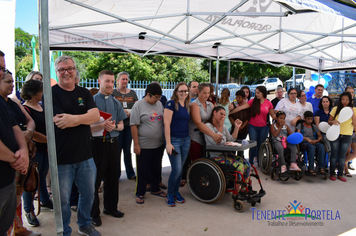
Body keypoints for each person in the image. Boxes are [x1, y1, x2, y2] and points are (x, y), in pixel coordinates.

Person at [50, 55, 101, 236]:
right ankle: (63, 230)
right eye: (62, 69)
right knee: (63, 200)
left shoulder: (84, 92)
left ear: (75, 70)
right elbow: (59, 121)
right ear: (57, 72)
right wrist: (82, 119)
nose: (66, 72)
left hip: (86, 155)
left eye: (70, 68)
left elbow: (95, 116)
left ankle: (84, 224)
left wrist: (74, 119)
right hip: (62, 157)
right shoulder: (51, 94)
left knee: (88, 194)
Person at [90, 70, 127, 227]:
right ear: (99, 81)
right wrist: (101, 125)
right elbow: (85, 127)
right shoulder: (91, 102)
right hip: (97, 145)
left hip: (113, 144)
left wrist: (115, 126)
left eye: (112, 81)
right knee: (95, 181)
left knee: (113, 178)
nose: (110, 84)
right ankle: (93, 214)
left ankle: (110, 208)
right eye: (107, 81)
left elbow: (122, 124)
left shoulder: (116, 102)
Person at [0, 51, 29, 236]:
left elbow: (15, 127)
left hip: (8, 178)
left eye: (2, 68)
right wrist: (16, 158)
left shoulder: (4, 102)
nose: (2, 73)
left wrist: (23, 151)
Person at [22, 79, 53, 230]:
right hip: (35, 151)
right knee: (31, 181)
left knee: (41, 176)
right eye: (42, 90)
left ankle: (45, 201)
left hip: (46, 149)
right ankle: (29, 211)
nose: (44, 93)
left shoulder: (41, 106)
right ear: (35, 92)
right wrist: (50, 141)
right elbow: (32, 134)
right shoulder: (25, 109)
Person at [131, 83, 167, 204]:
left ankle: (155, 189)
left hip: (158, 144)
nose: (157, 100)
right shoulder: (138, 105)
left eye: (159, 97)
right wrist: (136, 144)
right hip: (144, 145)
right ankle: (140, 193)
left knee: (156, 168)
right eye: (156, 97)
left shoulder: (159, 104)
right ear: (148, 94)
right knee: (142, 170)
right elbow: (134, 126)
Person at [204, 106, 251, 187]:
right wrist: (221, 126)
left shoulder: (224, 127)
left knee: (247, 164)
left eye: (224, 115)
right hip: (215, 156)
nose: (223, 117)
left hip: (226, 155)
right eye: (221, 114)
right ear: (214, 112)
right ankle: (237, 192)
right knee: (240, 166)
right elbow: (217, 142)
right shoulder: (208, 126)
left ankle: (244, 188)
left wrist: (236, 127)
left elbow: (231, 139)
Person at [230, 86, 276, 165]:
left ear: (263, 93)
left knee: (260, 145)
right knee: (253, 145)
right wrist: (230, 112)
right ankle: (250, 162)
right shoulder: (252, 101)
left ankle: (259, 161)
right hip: (253, 126)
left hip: (264, 127)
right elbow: (241, 108)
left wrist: (281, 120)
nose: (256, 94)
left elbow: (273, 116)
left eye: (258, 93)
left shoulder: (268, 103)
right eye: (256, 92)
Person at [164, 82, 191, 207]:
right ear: (176, 92)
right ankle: (169, 194)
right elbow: (166, 124)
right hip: (174, 140)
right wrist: (168, 143)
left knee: (180, 170)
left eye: (186, 91)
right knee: (176, 169)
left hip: (186, 140)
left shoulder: (187, 105)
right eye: (181, 91)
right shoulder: (171, 104)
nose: (184, 93)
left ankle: (176, 192)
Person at [112, 72, 138, 180]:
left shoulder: (132, 93)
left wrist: (131, 112)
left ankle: (130, 173)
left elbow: (137, 107)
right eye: (123, 79)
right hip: (117, 126)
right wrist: (121, 112)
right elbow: (110, 107)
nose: (125, 81)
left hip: (129, 125)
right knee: (116, 151)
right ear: (117, 80)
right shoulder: (113, 93)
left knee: (127, 150)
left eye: (127, 79)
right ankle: (116, 174)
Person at [188, 83, 222, 162]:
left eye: (208, 93)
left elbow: (215, 121)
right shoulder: (194, 105)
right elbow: (198, 123)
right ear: (199, 92)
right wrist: (213, 135)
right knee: (197, 161)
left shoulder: (210, 105)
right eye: (204, 93)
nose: (206, 95)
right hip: (196, 138)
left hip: (207, 138)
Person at [328, 92, 356, 182]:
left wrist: (352, 113)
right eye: (343, 99)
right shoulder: (336, 109)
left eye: (347, 100)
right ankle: (332, 173)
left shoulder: (354, 110)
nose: (345, 101)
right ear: (340, 100)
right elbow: (329, 121)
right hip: (336, 134)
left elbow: (355, 124)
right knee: (334, 155)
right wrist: (333, 122)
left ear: (350, 100)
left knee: (342, 156)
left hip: (347, 135)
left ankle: (340, 174)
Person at [297, 111, 326, 176]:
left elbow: (320, 136)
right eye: (308, 119)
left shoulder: (314, 126)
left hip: (314, 141)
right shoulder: (300, 125)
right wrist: (308, 139)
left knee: (321, 146)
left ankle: (321, 167)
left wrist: (317, 140)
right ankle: (311, 168)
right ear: (304, 118)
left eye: (311, 119)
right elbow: (298, 135)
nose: (310, 120)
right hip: (304, 142)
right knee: (312, 147)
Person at [229, 90, 250, 157]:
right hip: (234, 129)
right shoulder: (233, 105)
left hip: (243, 130)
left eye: (239, 97)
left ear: (243, 98)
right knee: (233, 146)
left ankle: (240, 160)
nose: (237, 99)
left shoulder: (247, 106)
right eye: (236, 97)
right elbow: (230, 116)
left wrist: (242, 126)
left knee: (241, 146)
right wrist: (235, 125)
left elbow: (248, 119)